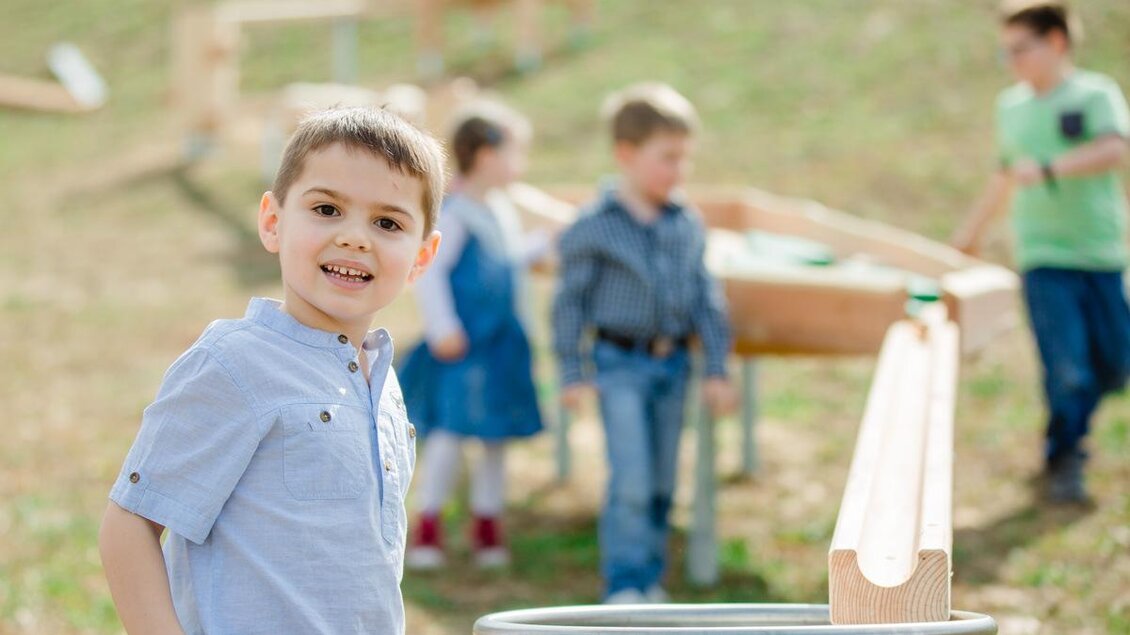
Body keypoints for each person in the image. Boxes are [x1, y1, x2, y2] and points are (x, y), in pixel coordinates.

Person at [98, 106, 445, 634]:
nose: (355, 237)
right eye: (327, 209)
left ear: (422, 257)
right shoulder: (236, 364)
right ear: (272, 222)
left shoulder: (382, 382)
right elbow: (130, 524)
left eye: (387, 222)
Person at [552, 82, 737, 603]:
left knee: (660, 482)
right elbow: (569, 304)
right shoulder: (594, 227)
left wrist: (718, 367)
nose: (679, 171)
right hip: (619, 364)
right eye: (668, 158)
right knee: (630, 479)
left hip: (673, 365)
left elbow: (707, 299)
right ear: (626, 155)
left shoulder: (686, 223)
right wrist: (572, 371)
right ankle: (625, 584)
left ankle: (651, 580)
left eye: (686, 159)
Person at [952, 0, 1130, 502]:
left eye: (1020, 50)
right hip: (1042, 257)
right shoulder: (1010, 107)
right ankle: (1065, 456)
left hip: (1101, 252)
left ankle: (1071, 431)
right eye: (1004, 52)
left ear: (1056, 42)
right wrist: (972, 232)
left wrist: (1050, 168)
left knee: (1116, 364)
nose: (1011, 62)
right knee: (1067, 367)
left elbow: (1117, 150)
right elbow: (1003, 175)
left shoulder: (1096, 94)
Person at [400, 101, 547, 570]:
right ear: (485, 156)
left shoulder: (499, 209)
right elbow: (430, 271)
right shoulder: (457, 212)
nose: (519, 164)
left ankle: (487, 523)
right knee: (449, 433)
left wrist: (541, 246)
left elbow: (503, 260)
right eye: (513, 153)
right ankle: (429, 525)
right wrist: (443, 328)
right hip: (465, 346)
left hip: (501, 345)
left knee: (495, 436)